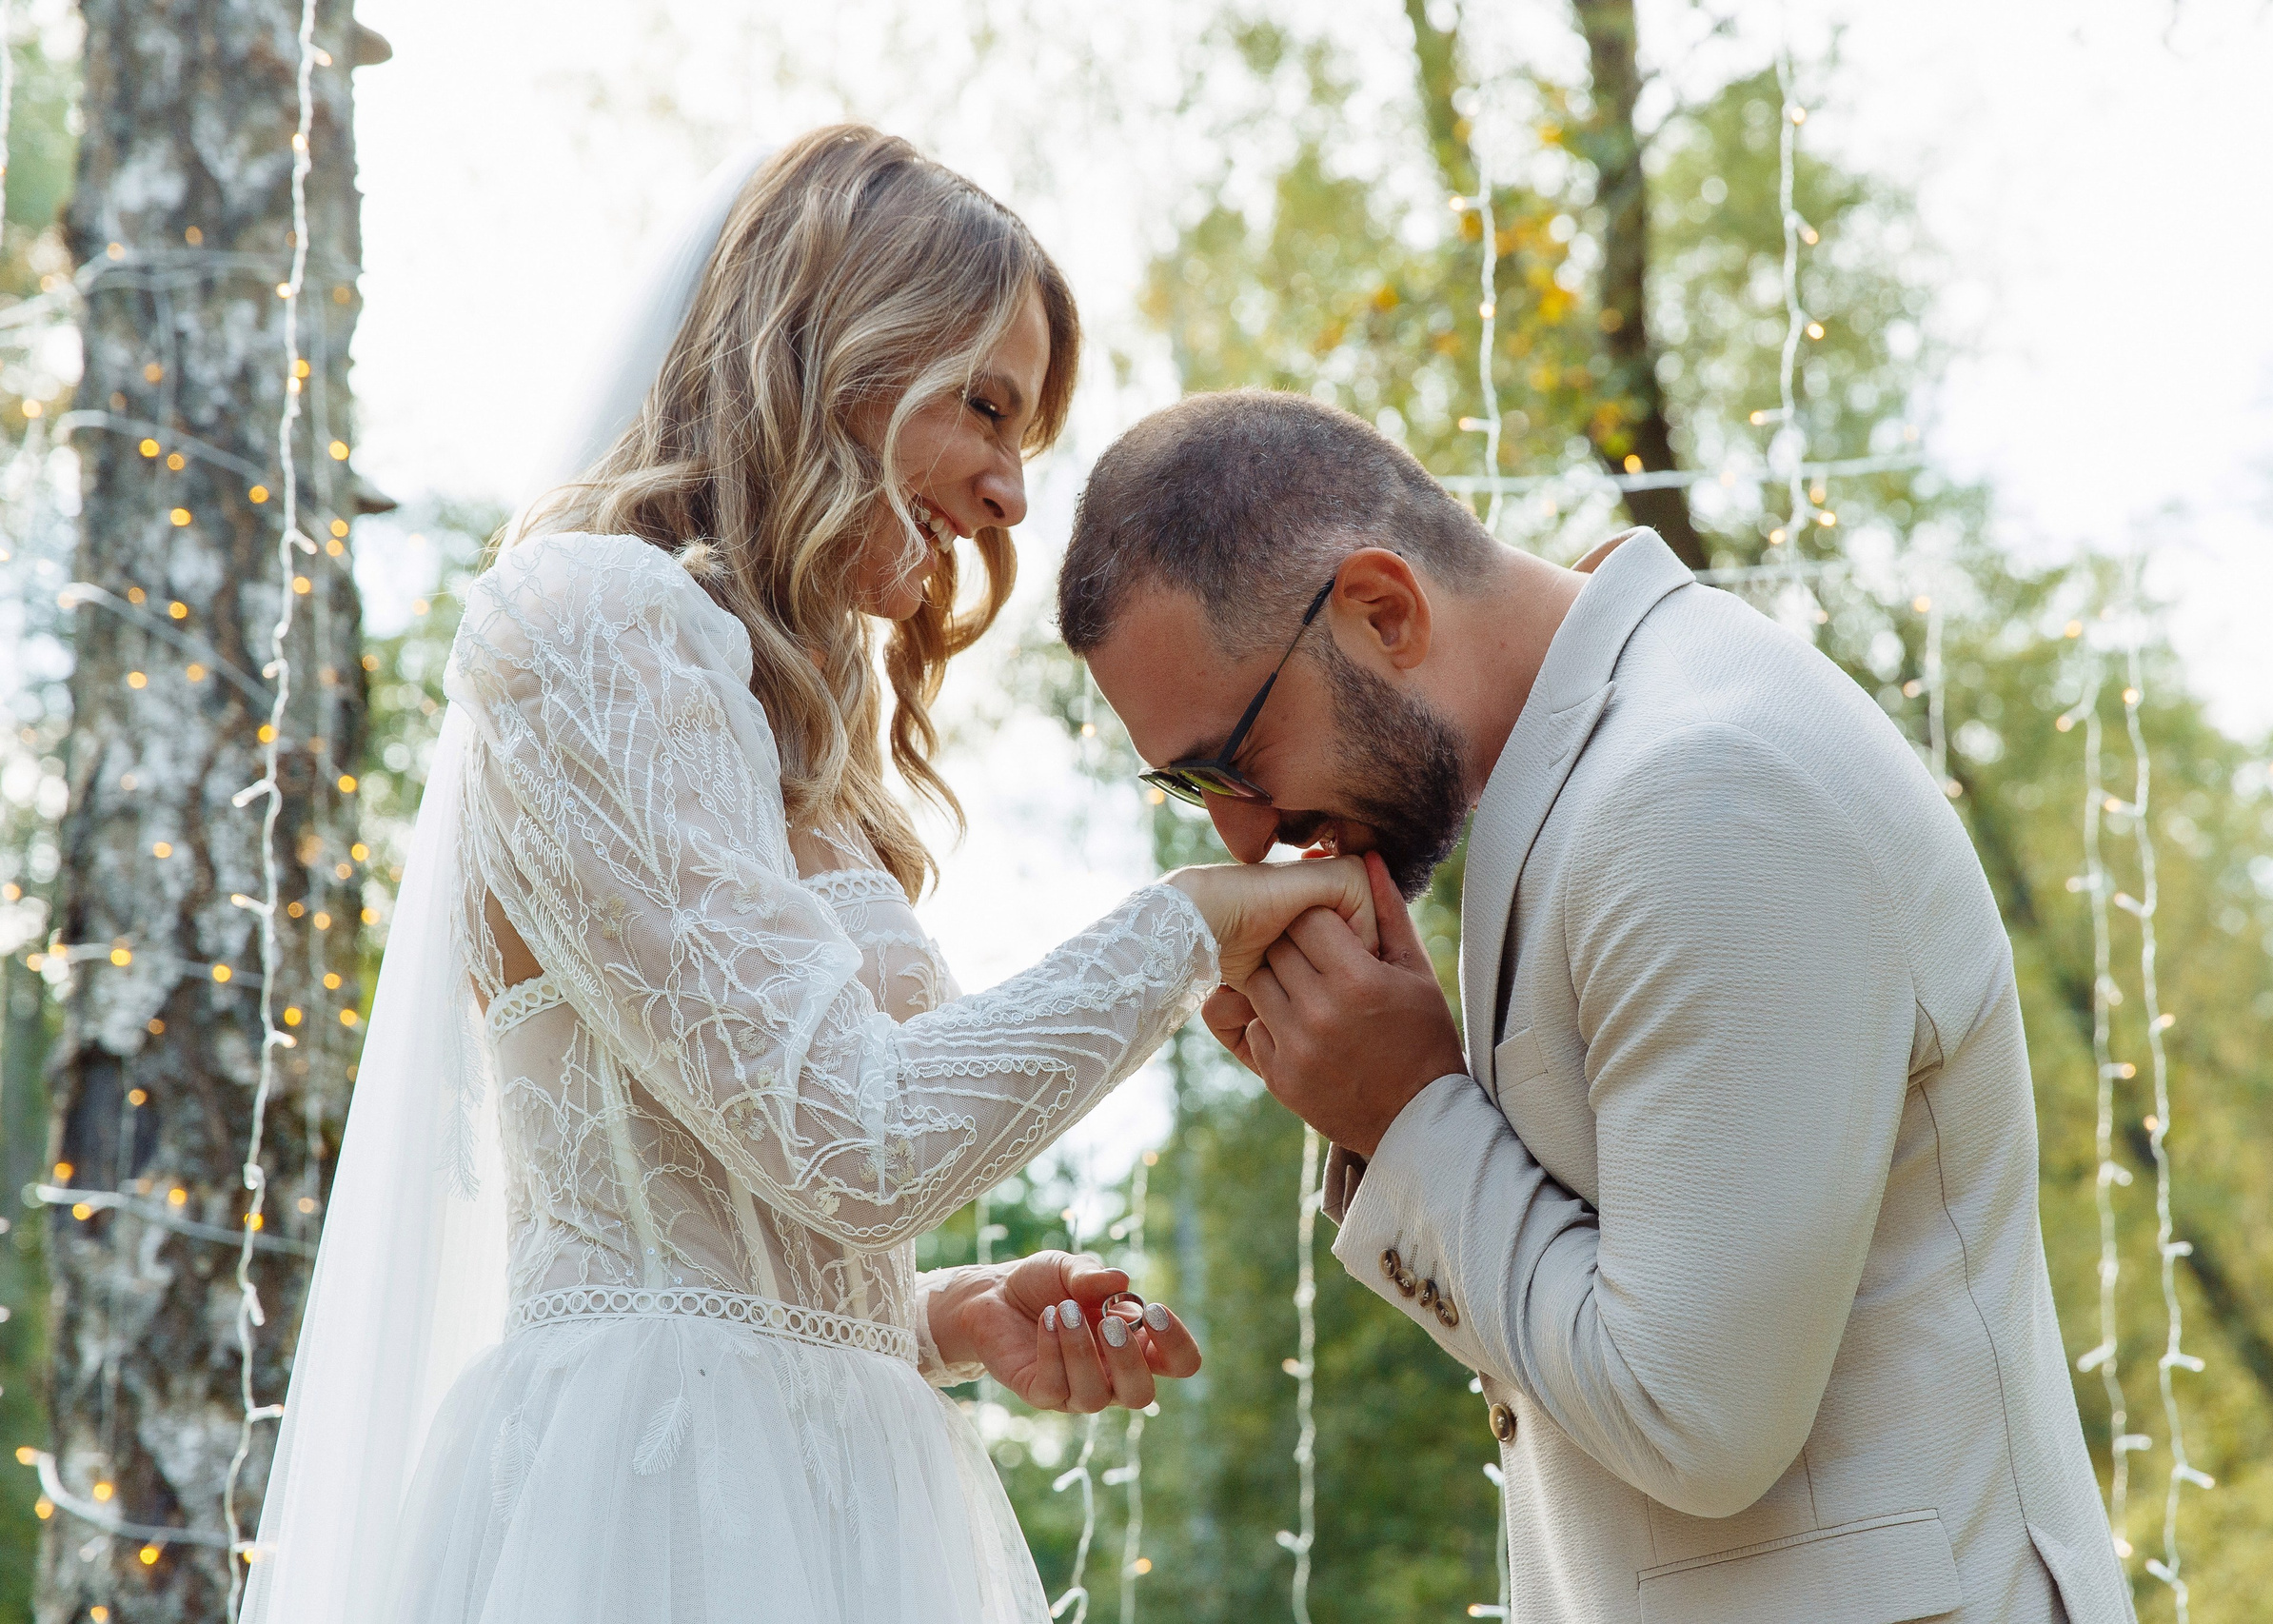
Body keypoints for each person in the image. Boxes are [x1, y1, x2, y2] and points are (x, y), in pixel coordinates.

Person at [240, 133, 1375, 1624]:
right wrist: (1189, 927)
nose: (1012, 495)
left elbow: (759, 1198)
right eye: (985, 404)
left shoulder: (792, 736)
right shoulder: (593, 623)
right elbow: (855, 1136)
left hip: (836, 1480)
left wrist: (935, 1320)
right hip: (650, 1510)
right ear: (829, 347)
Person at [1058, 388, 2139, 1624]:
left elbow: (1697, 1420)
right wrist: (1394, 1112)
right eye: (1181, 784)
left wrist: (1411, 1115)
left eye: (1229, 761)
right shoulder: (1593, 770)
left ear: (1382, 609)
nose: (1239, 829)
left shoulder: (1701, 791)